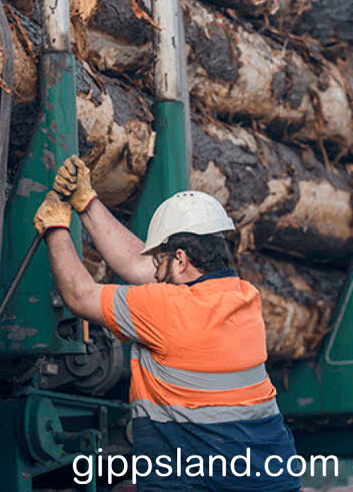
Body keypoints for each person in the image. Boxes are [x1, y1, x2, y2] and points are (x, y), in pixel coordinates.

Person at [33, 155, 302, 491]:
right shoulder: (244, 298)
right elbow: (137, 265)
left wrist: (55, 226)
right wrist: (86, 202)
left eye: (160, 261)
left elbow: (80, 294)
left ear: (181, 259)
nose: (155, 273)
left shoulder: (164, 309)